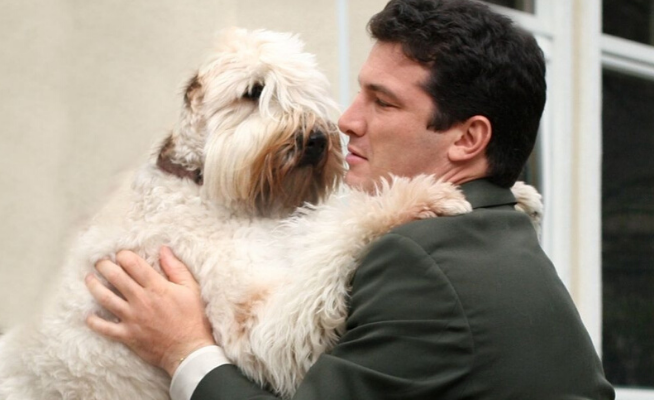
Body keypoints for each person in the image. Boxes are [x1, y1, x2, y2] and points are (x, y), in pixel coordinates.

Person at [86, 0, 616, 399]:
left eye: (382, 103)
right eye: (360, 91)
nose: (346, 120)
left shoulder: (419, 257)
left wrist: (181, 346)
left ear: (466, 139)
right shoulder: (499, 231)